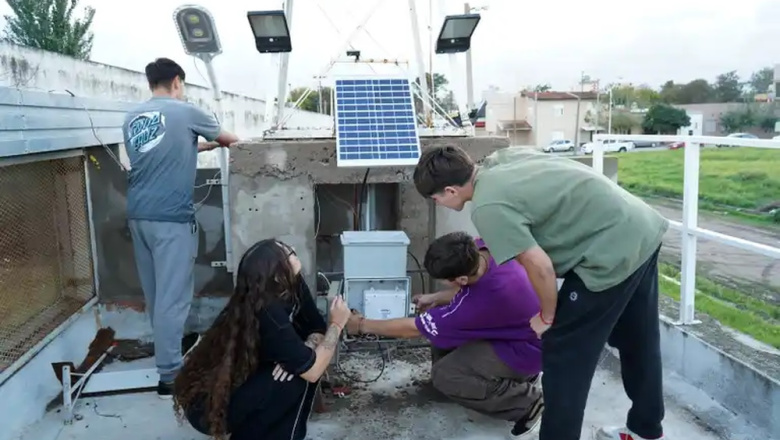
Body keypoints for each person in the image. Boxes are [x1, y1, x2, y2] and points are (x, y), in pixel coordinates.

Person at [412, 145, 669, 440]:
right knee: (638, 338)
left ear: (450, 190)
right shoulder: (503, 159)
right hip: (639, 226)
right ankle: (645, 429)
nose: (439, 203)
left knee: (563, 354)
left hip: (607, 253)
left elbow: (540, 266)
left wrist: (547, 316)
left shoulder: (486, 207)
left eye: (436, 198)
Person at [345, 231, 544, 439]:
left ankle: (527, 403)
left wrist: (361, 325)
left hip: (528, 349)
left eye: (444, 282)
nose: (443, 284)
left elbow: (412, 329)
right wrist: (437, 297)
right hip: (524, 328)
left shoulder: (477, 305)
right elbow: (470, 292)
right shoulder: (487, 247)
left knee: (445, 374)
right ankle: (486, 385)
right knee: (442, 335)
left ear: (461, 278)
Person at [122, 57, 240, 397]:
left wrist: (204, 145)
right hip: (171, 220)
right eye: (182, 85)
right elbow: (231, 138)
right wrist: (220, 140)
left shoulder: (133, 118)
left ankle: (168, 354)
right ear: (177, 81)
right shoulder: (186, 111)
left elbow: (166, 150)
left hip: (139, 217)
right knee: (173, 300)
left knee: (157, 294)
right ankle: (170, 374)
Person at [172, 239, 350, 440]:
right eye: (288, 253)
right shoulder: (267, 311)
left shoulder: (291, 283)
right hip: (209, 406)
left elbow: (315, 325)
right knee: (295, 377)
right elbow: (313, 370)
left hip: (243, 383)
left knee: (297, 365)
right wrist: (337, 325)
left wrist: (307, 345)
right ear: (276, 273)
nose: (294, 251)